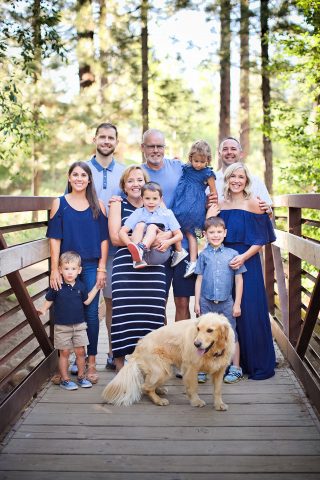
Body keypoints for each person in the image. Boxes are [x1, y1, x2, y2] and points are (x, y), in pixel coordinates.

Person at [207, 162, 276, 381]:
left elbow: (262, 237)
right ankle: (229, 363)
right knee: (226, 312)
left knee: (250, 309)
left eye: (241, 177)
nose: (236, 180)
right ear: (226, 180)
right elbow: (208, 232)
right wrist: (209, 213)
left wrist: (244, 257)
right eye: (232, 177)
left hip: (248, 262)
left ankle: (256, 363)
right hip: (223, 264)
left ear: (247, 180)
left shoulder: (254, 203)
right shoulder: (219, 203)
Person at [47, 161, 108, 384]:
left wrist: (102, 267)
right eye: (75, 174)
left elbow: (104, 239)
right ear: (69, 177)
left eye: (84, 175)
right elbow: (54, 238)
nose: (79, 178)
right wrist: (55, 269)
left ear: (89, 179)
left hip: (91, 266)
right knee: (65, 311)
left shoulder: (97, 205)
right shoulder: (59, 203)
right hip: (66, 268)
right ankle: (66, 361)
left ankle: (90, 362)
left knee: (91, 313)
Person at [141, 129, 211, 321]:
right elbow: (128, 195)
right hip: (156, 246)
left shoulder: (180, 167)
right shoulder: (138, 173)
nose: (155, 150)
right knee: (158, 302)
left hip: (186, 248)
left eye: (159, 146)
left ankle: (183, 347)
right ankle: (162, 348)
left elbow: (204, 183)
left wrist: (207, 208)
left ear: (164, 148)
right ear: (143, 148)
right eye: (151, 146)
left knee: (182, 302)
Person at [108, 166, 167, 371]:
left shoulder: (156, 201)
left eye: (140, 180)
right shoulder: (118, 204)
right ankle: (121, 367)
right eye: (130, 180)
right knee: (123, 315)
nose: (136, 184)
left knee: (153, 315)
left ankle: (152, 367)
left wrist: (158, 238)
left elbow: (167, 230)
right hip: (126, 267)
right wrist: (142, 241)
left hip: (153, 267)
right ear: (124, 186)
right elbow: (115, 238)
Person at [87, 122, 126, 370]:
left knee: (112, 303)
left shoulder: (123, 172)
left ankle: (113, 353)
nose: (106, 141)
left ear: (116, 142)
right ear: (95, 139)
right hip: (86, 248)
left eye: (111, 137)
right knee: (86, 303)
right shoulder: (82, 169)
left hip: (114, 249)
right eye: (102, 137)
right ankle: (82, 356)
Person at [38, 251, 101, 390]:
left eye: (73, 269)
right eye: (66, 269)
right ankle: (65, 379)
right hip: (62, 327)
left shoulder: (81, 286)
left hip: (79, 326)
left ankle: (81, 377)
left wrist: (96, 287)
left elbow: (87, 301)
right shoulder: (57, 286)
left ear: (79, 270)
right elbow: (49, 300)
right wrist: (43, 309)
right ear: (60, 270)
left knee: (80, 352)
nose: (70, 272)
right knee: (64, 353)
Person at [194, 217, 246, 384]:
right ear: (205, 234)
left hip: (227, 302)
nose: (215, 235)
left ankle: (235, 368)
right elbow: (199, 279)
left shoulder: (233, 254)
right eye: (211, 232)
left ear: (225, 233)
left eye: (218, 232)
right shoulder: (203, 255)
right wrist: (196, 302)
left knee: (231, 334)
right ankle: (202, 368)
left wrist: (237, 303)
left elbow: (239, 280)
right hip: (206, 301)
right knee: (203, 335)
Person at [171, 140, 218, 278]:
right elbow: (214, 192)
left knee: (178, 228)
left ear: (208, 160)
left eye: (202, 162)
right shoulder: (187, 167)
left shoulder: (207, 173)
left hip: (192, 206)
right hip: (186, 205)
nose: (198, 164)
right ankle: (193, 262)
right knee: (192, 234)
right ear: (190, 158)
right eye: (195, 161)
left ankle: (180, 252)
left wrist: (210, 205)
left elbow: (213, 193)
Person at [120, 181, 186, 269]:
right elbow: (122, 232)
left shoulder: (167, 213)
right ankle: (137, 254)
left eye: (155, 199)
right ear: (142, 198)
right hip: (141, 257)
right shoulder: (138, 212)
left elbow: (179, 235)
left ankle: (141, 249)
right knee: (140, 224)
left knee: (152, 226)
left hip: (158, 251)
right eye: (147, 198)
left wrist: (168, 242)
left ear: (161, 199)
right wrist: (130, 245)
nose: (151, 202)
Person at [215, 137, 272, 210]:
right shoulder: (211, 180)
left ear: (241, 154)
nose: (229, 152)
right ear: (219, 154)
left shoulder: (256, 181)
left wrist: (269, 211)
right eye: (225, 149)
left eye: (233, 149)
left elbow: (269, 213)